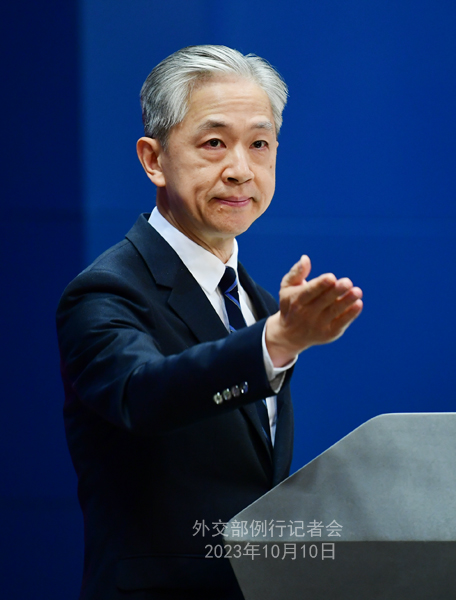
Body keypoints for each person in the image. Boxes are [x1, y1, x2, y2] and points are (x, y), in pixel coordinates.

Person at [57, 45, 363, 600]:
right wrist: (274, 343)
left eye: (260, 144)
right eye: (214, 143)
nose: (240, 170)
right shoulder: (105, 290)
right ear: (153, 159)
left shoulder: (258, 302)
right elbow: (142, 396)